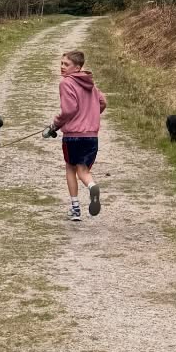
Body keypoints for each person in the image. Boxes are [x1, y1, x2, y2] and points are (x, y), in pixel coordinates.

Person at [46, 47, 106, 222]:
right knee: (83, 170)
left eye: (67, 64)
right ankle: (92, 186)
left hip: (73, 135)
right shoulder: (90, 83)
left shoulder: (66, 83)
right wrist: (90, 115)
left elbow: (68, 110)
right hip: (91, 136)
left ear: (78, 67)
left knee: (71, 169)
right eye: (62, 63)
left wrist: (55, 125)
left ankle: (75, 208)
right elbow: (102, 102)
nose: (62, 67)